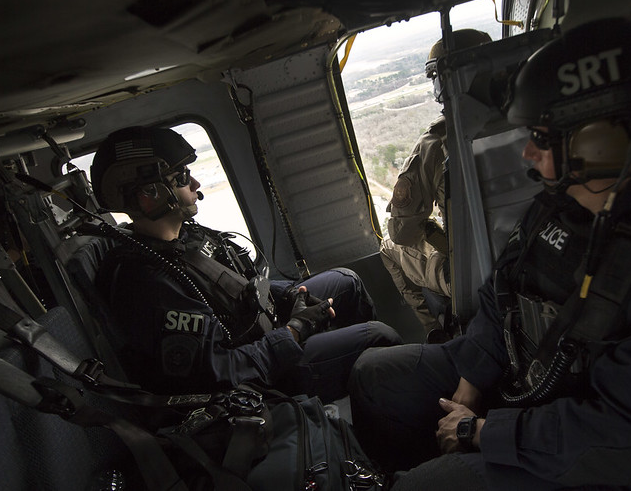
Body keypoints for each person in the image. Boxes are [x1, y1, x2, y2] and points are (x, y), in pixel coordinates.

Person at [349, 17, 631, 490]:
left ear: (601, 144)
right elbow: (500, 290)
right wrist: (471, 377)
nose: (528, 153)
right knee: (373, 374)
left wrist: (480, 431)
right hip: (520, 370)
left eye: (544, 138)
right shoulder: (561, 200)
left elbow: (627, 431)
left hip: (582, 438)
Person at [89, 126, 402, 401]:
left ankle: (362, 376)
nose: (196, 183)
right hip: (260, 380)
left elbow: (243, 283)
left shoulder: (188, 237)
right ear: (151, 194)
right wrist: (295, 330)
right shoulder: (148, 282)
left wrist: (288, 295)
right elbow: (221, 372)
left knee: (347, 280)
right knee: (379, 335)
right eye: (183, 177)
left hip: (262, 332)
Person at [381, 29, 491, 338]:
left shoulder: (437, 142)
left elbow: (403, 233)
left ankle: (439, 334)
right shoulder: (529, 112)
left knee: (387, 246)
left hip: (474, 274)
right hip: (538, 255)